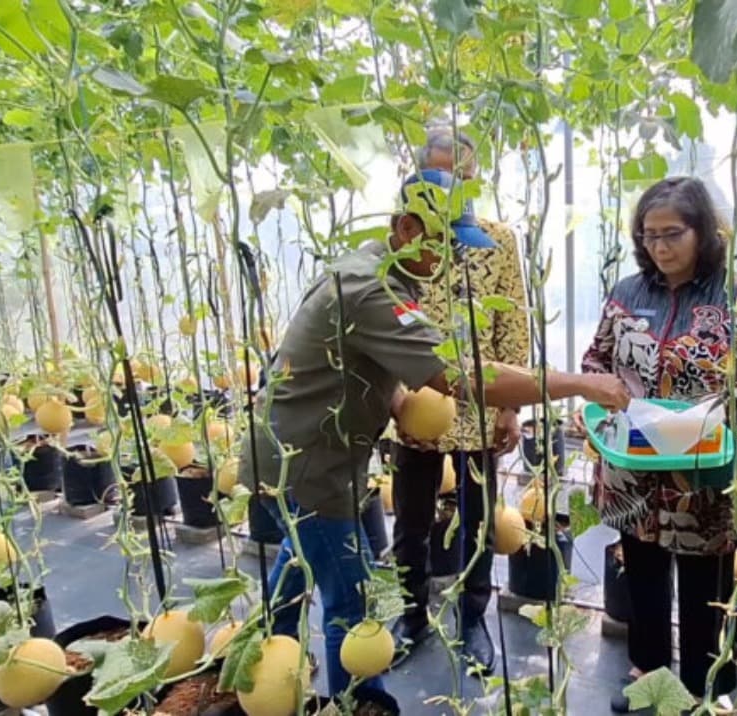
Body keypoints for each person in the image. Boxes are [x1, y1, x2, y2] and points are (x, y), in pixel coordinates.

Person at [239, 169, 629, 703]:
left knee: (297, 558)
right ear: (404, 228)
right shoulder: (373, 289)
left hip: (298, 451)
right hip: (309, 463)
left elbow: (353, 358)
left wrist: (394, 399)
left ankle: (259, 660)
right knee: (351, 606)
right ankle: (362, 703)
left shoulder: (368, 269)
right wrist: (581, 382)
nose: (450, 257)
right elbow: (460, 376)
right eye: (441, 242)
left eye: (457, 245)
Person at [580, 176, 737, 710]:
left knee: (704, 588)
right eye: (649, 236)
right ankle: (650, 679)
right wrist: (604, 398)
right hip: (634, 470)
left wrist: (711, 413)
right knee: (642, 577)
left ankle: (701, 688)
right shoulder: (627, 293)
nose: (660, 247)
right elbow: (596, 361)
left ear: (704, 233)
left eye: (672, 234)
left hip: (702, 473)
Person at [388, 129, 530, 673]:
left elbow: (512, 323)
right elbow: (386, 322)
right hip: (418, 409)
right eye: (441, 177)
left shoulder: (496, 239)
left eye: (463, 178)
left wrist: (511, 406)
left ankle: (473, 618)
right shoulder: (405, 239)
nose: (454, 187)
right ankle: (412, 614)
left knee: (477, 519)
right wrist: (396, 398)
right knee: (412, 520)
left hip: (478, 405)